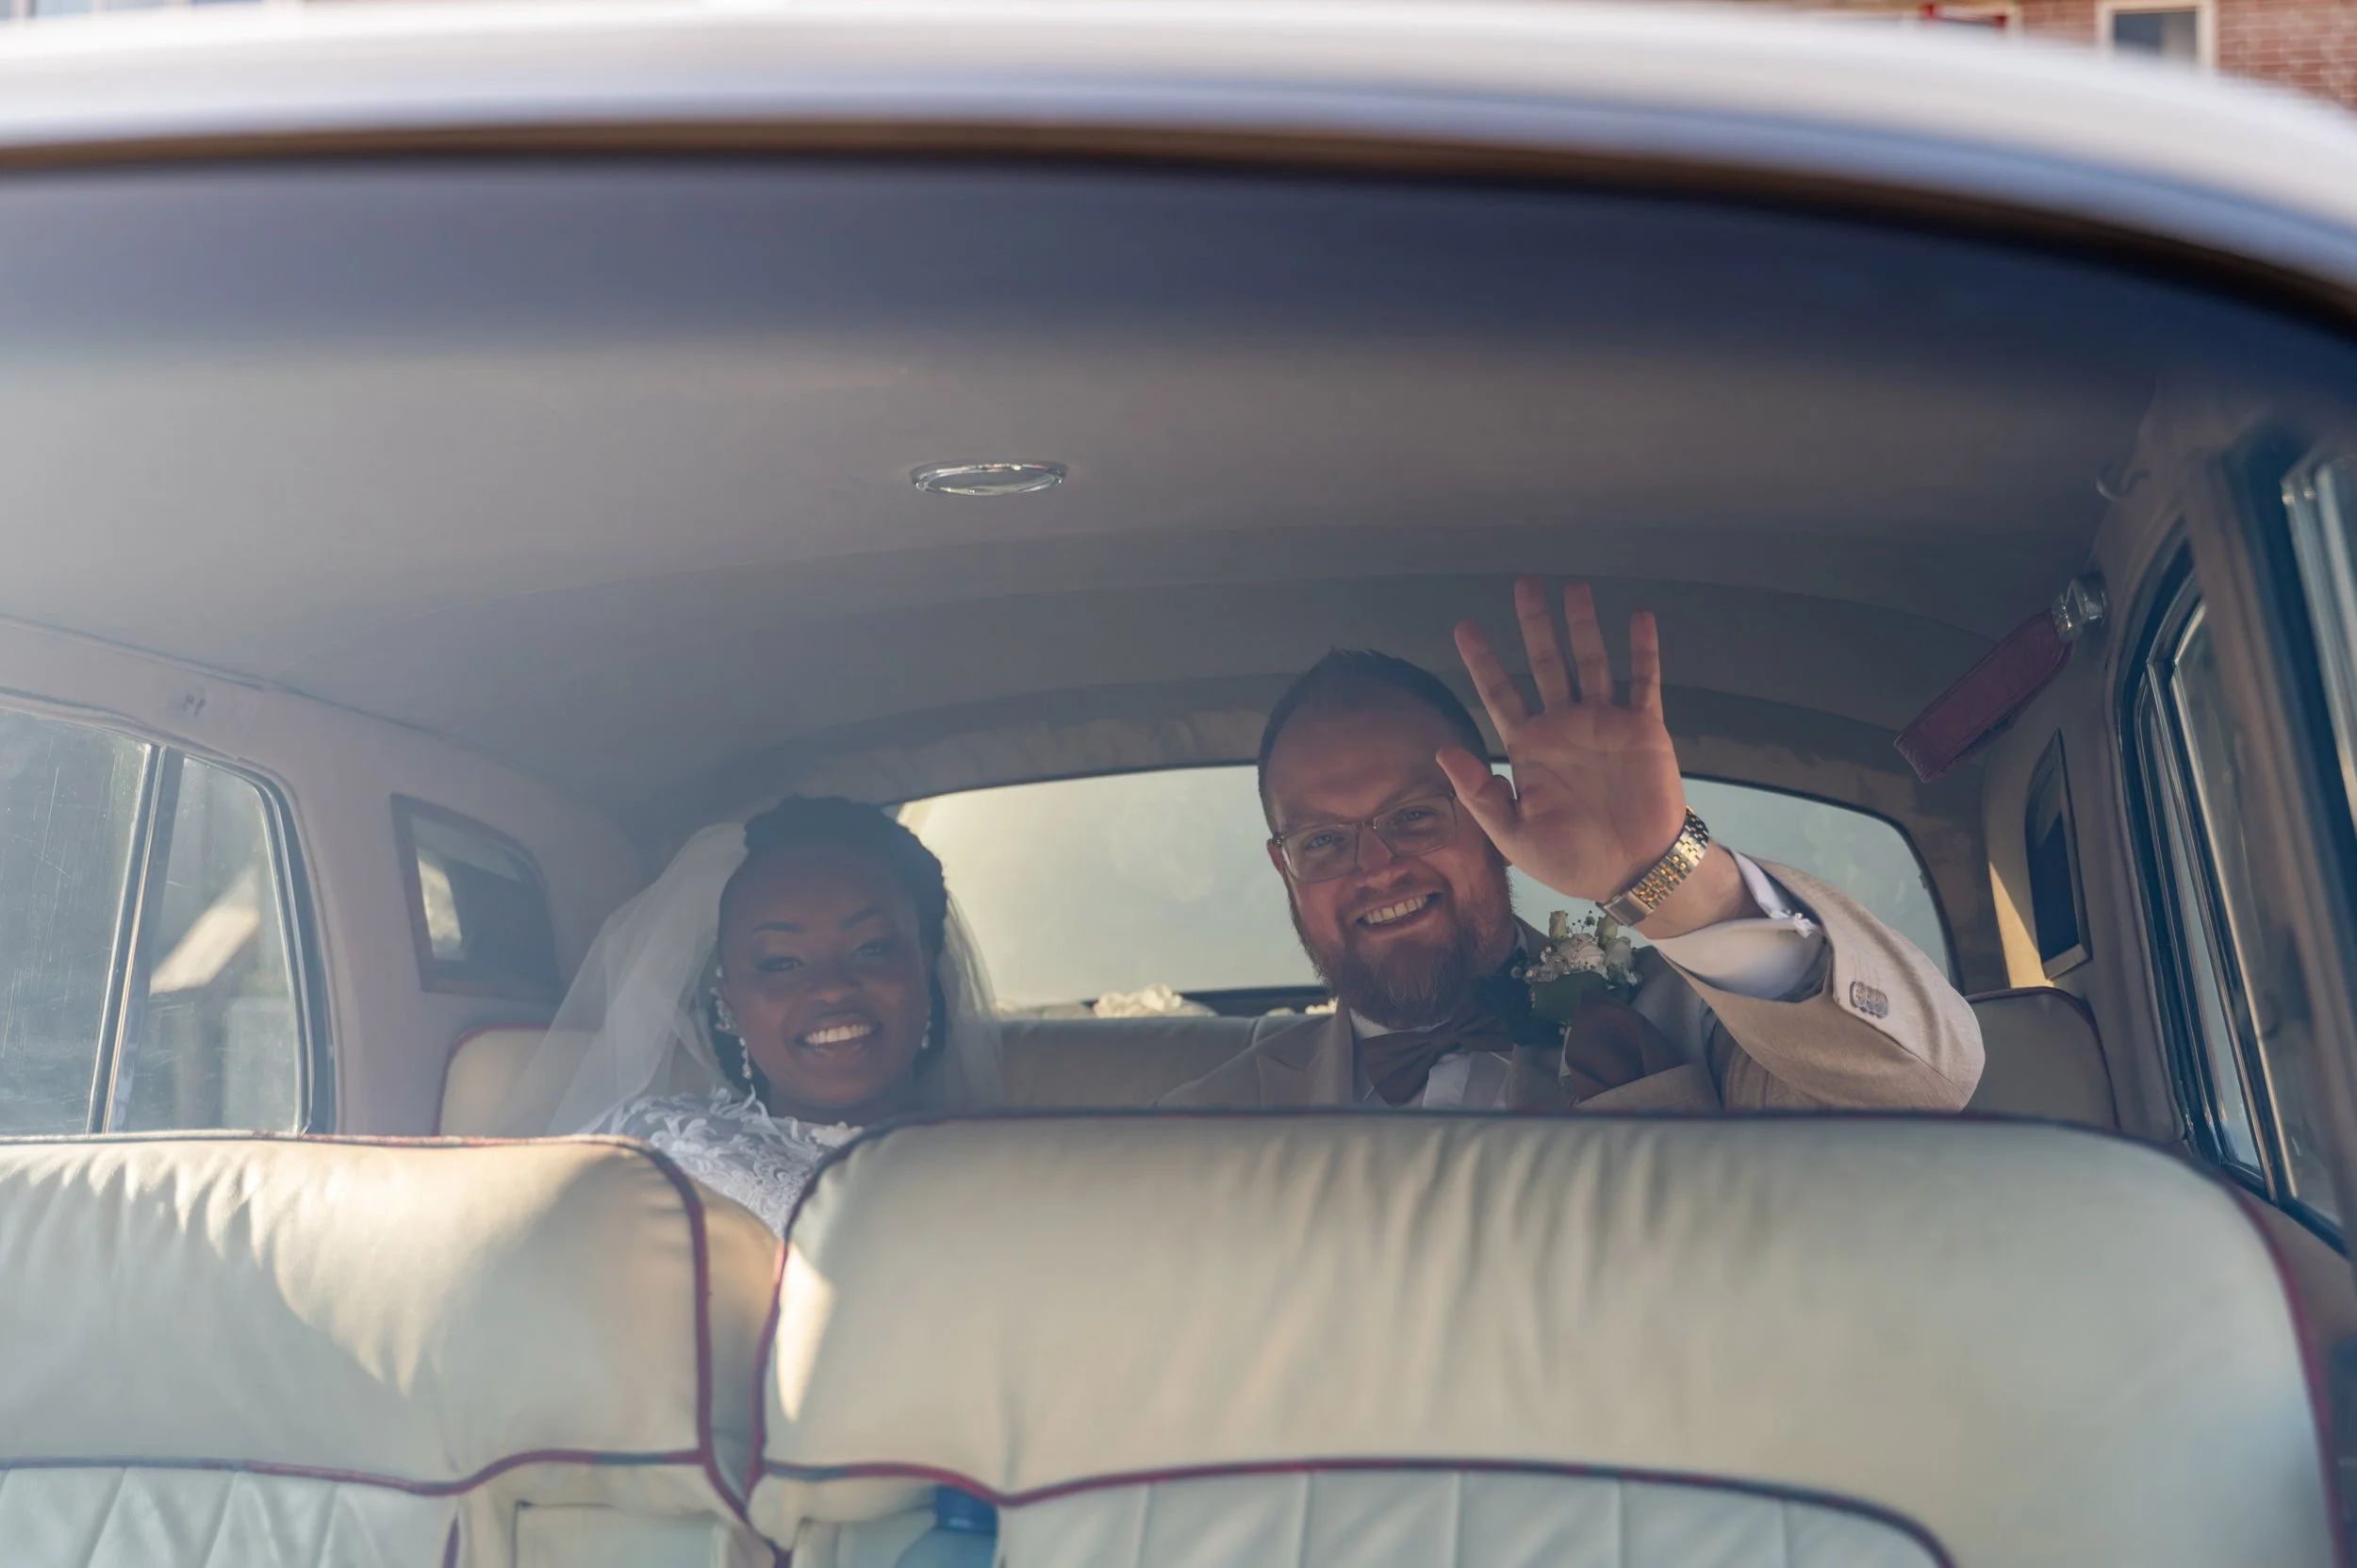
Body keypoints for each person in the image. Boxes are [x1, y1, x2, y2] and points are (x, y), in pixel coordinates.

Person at [1162, 577, 1983, 1112]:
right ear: (1285, 867)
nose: (1376, 867)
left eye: (1415, 815)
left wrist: (1666, 874)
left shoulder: (1692, 1025)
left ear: (1492, 812)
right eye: (1323, 841)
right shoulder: (1195, 1129)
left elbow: (1924, 1083)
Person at [495, 796, 1002, 1233]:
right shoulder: (652, 1150)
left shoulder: (1015, 1163)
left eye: (871, 948)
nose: (831, 987)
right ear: (729, 1001)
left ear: (924, 967)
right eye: (781, 961)